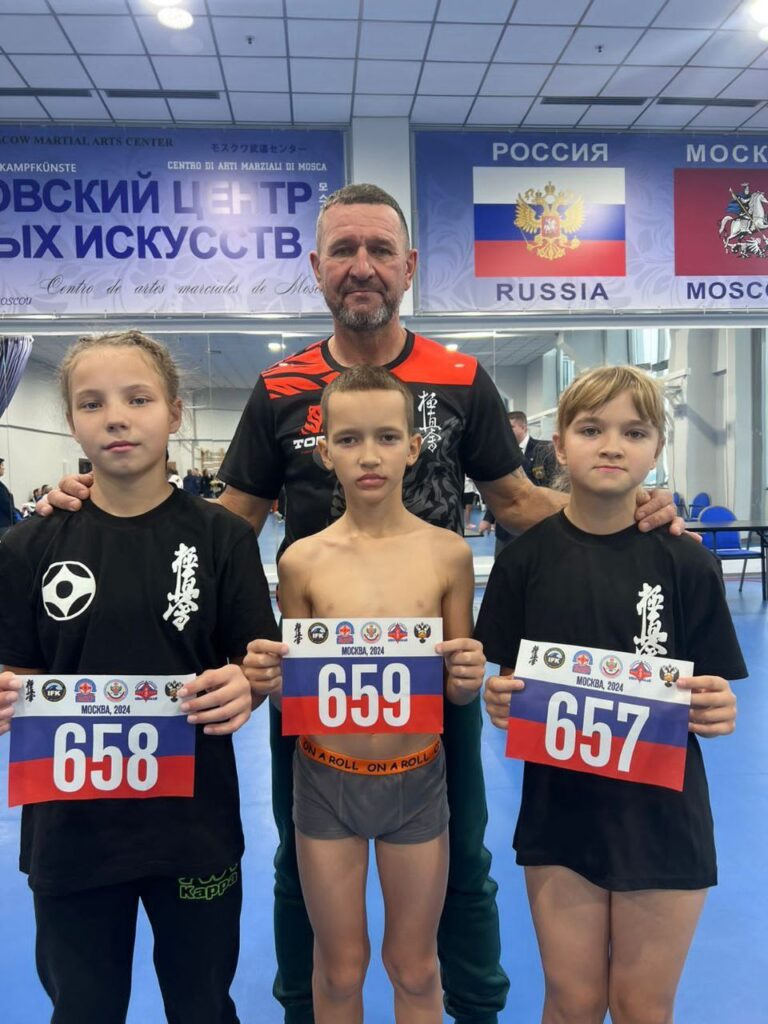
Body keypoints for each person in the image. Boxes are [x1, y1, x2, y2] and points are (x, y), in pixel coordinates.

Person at [40, 184, 679, 1024]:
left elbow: (521, 502)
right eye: (343, 250)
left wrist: (622, 505)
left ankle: (475, 1008)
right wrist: (102, 507)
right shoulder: (280, 388)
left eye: (380, 249)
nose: (362, 266)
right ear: (317, 267)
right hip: (314, 681)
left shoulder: (461, 378)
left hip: (433, 677)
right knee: (296, 869)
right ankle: (306, 1008)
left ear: (409, 266)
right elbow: (227, 521)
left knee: (465, 861)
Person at [0, 330, 278, 1024]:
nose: (116, 418)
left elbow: (254, 661)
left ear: (175, 413)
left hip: (193, 826)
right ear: (72, 423)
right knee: (84, 1007)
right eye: (92, 403)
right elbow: (17, 669)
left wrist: (246, 685)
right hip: (71, 832)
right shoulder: (29, 545)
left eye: (138, 399)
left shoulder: (222, 538)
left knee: (202, 1005)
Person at [477, 366, 746, 1024]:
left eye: (634, 432)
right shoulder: (523, 562)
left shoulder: (688, 563)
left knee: (641, 1006)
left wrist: (718, 709)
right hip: (560, 811)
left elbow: (712, 690)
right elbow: (510, 681)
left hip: (664, 816)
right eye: (591, 429)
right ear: (559, 445)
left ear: (656, 449)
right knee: (572, 1001)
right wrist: (499, 699)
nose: (611, 446)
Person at [249, 365, 485, 1022]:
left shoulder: (448, 555)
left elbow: (457, 692)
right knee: (339, 967)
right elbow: (294, 696)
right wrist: (271, 683)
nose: (370, 455)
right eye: (349, 440)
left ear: (414, 447)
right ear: (325, 452)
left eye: (387, 437)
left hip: (418, 779)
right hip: (325, 781)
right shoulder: (301, 561)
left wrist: (468, 678)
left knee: (415, 966)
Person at [479, 412, 558, 557]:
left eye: (511, 427)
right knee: (503, 566)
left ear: (523, 427)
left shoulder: (544, 450)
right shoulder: (500, 453)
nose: (506, 431)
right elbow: (498, 488)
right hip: (506, 527)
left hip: (537, 525)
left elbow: (554, 485)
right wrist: (488, 518)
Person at [0, 456, 16, 536]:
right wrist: (17, 519)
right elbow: (7, 506)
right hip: (4, 525)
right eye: (2, 465)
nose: (3, 468)